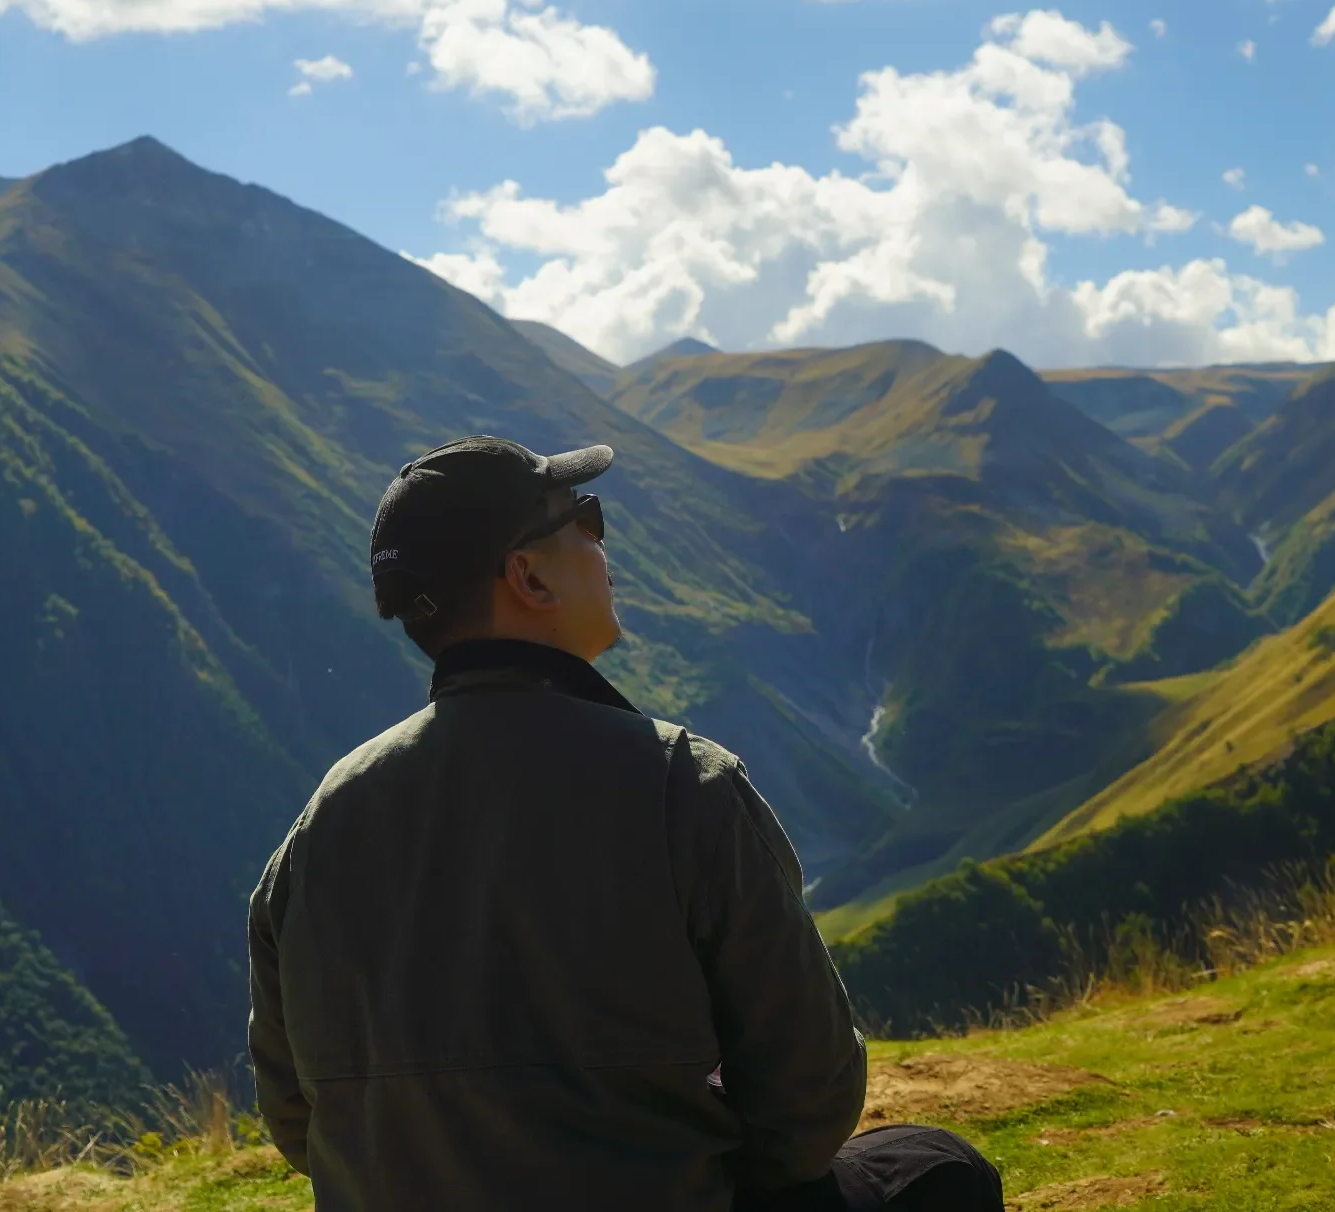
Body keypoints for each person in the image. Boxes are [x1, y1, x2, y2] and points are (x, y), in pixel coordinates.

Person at [246, 436, 1004, 1211]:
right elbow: (809, 1106)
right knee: (940, 1169)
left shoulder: (318, 829)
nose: (602, 546)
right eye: (586, 519)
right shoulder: (683, 784)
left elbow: (297, 1122)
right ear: (528, 576)